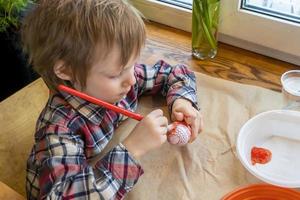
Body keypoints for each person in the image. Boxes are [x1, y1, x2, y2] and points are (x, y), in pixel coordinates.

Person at [22, 0, 203, 199]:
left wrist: (181, 101)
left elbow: (174, 73)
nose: (132, 79)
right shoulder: (58, 129)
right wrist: (134, 147)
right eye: (116, 73)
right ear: (66, 70)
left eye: (132, 65)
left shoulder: (118, 80)